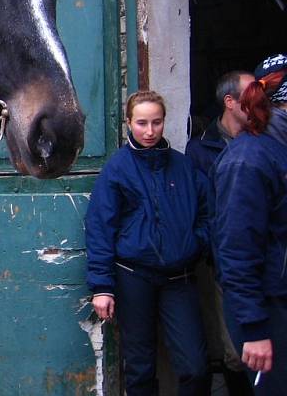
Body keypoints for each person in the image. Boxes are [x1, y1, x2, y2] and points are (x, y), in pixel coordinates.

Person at [86, 90, 209, 395]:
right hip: (133, 277)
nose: (150, 131)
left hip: (179, 278)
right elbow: (101, 227)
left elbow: (208, 213)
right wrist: (102, 286)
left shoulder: (183, 167)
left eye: (156, 122)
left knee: (195, 366)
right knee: (140, 368)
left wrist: (195, 244)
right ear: (128, 122)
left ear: (164, 121)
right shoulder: (117, 168)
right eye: (142, 123)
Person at [212, 54, 287, 394]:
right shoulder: (248, 160)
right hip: (269, 311)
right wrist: (255, 330)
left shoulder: (278, 149)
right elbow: (236, 251)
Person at [186, 70, 255, 395]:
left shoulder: (266, 141)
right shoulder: (201, 150)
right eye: (252, 95)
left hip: (264, 258)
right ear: (230, 102)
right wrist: (209, 245)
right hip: (223, 262)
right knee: (234, 350)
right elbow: (200, 207)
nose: (261, 102)